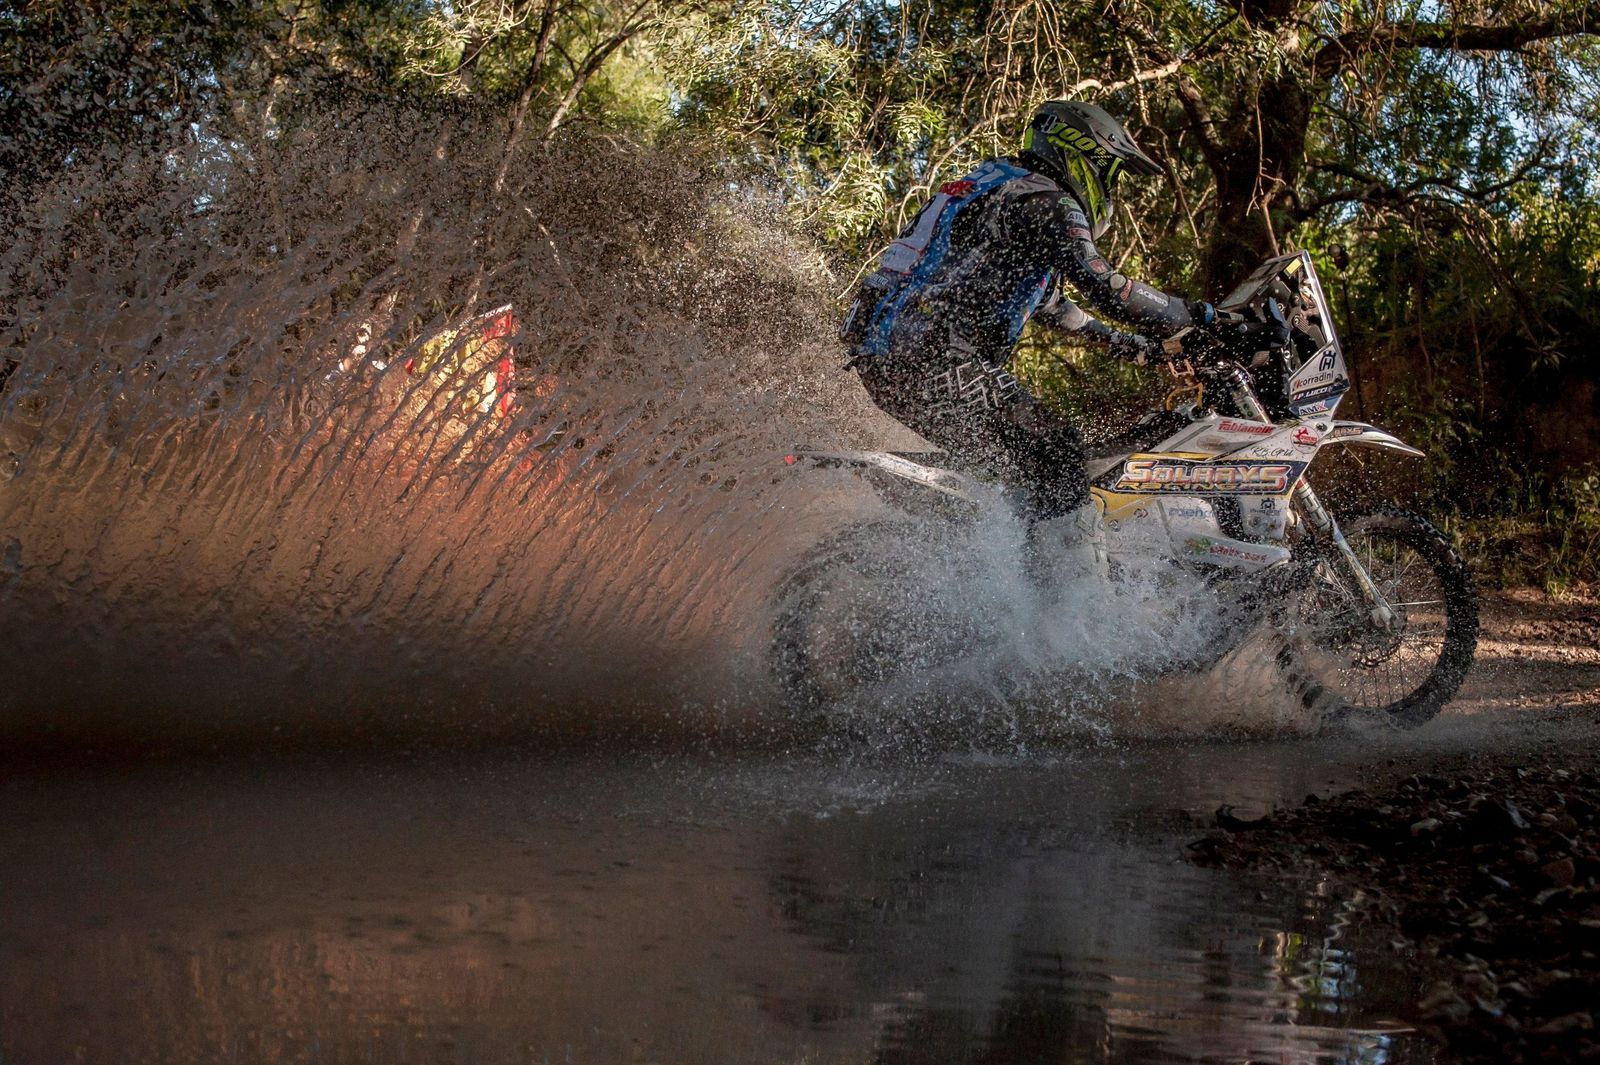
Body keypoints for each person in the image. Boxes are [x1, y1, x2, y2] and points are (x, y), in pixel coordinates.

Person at [839, 99, 1223, 583]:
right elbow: (1109, 288)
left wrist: (1142, 350)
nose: (1113, 189)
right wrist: (1210, 318)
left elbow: (1059, 310)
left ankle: (995, 590)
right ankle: (1075, 619)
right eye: (1113, 173)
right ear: (1087, 155)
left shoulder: (999, 185)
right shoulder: (1045, 201)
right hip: (932, 357)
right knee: (1058, 451)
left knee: (1017, 471)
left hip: (894, 352)